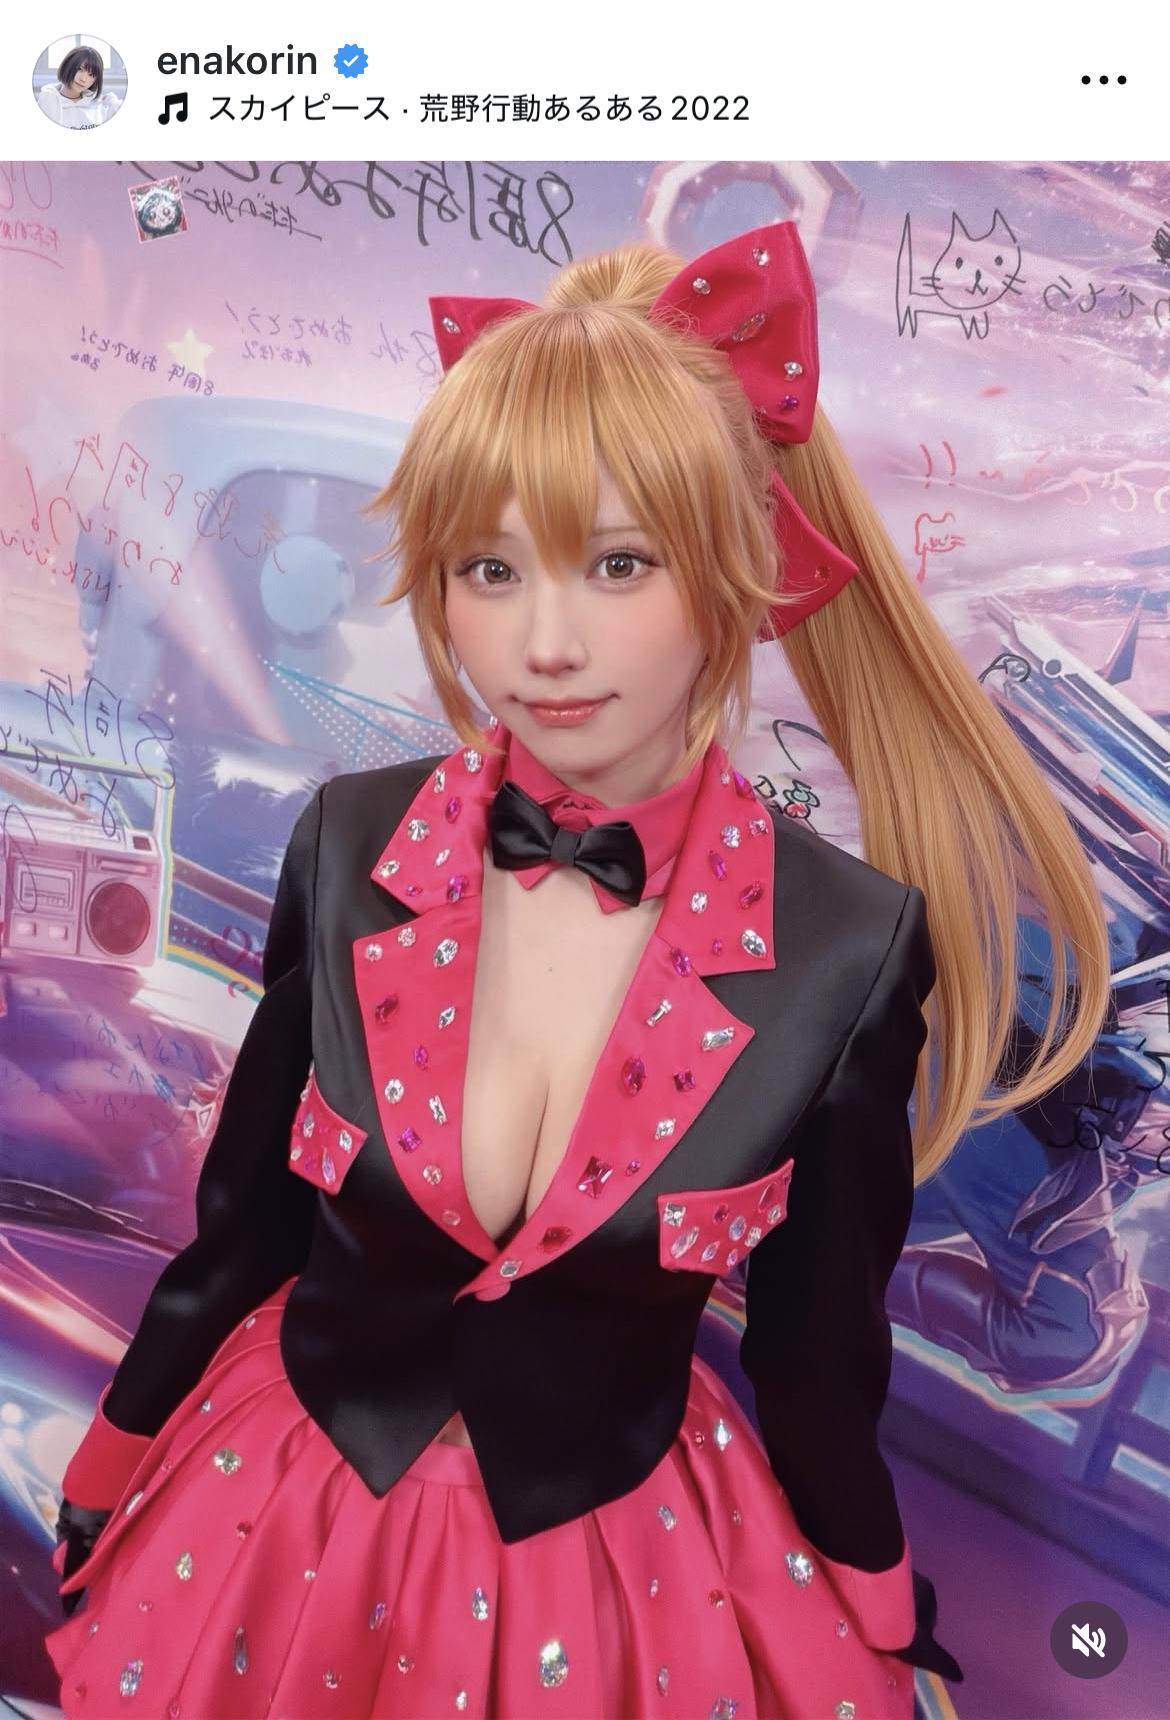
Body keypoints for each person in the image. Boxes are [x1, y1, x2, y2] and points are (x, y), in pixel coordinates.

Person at [45, 222, 1109, 1718]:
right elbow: (244, 1232)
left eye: (619, 563)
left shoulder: (846, 944)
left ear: (741, 565)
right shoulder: (350, 841)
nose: (543, 643)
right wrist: (112, 1456)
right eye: (490, 567)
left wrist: (876, 1597)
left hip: (613, 1568)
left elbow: (818, 1350)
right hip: (279, 1517)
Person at [35, 45, 121, 130]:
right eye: (80, 69)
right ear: (67, 66)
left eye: (91, 74)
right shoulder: (47, 101)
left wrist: (113, 104)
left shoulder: (98, 104)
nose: (83, 79)